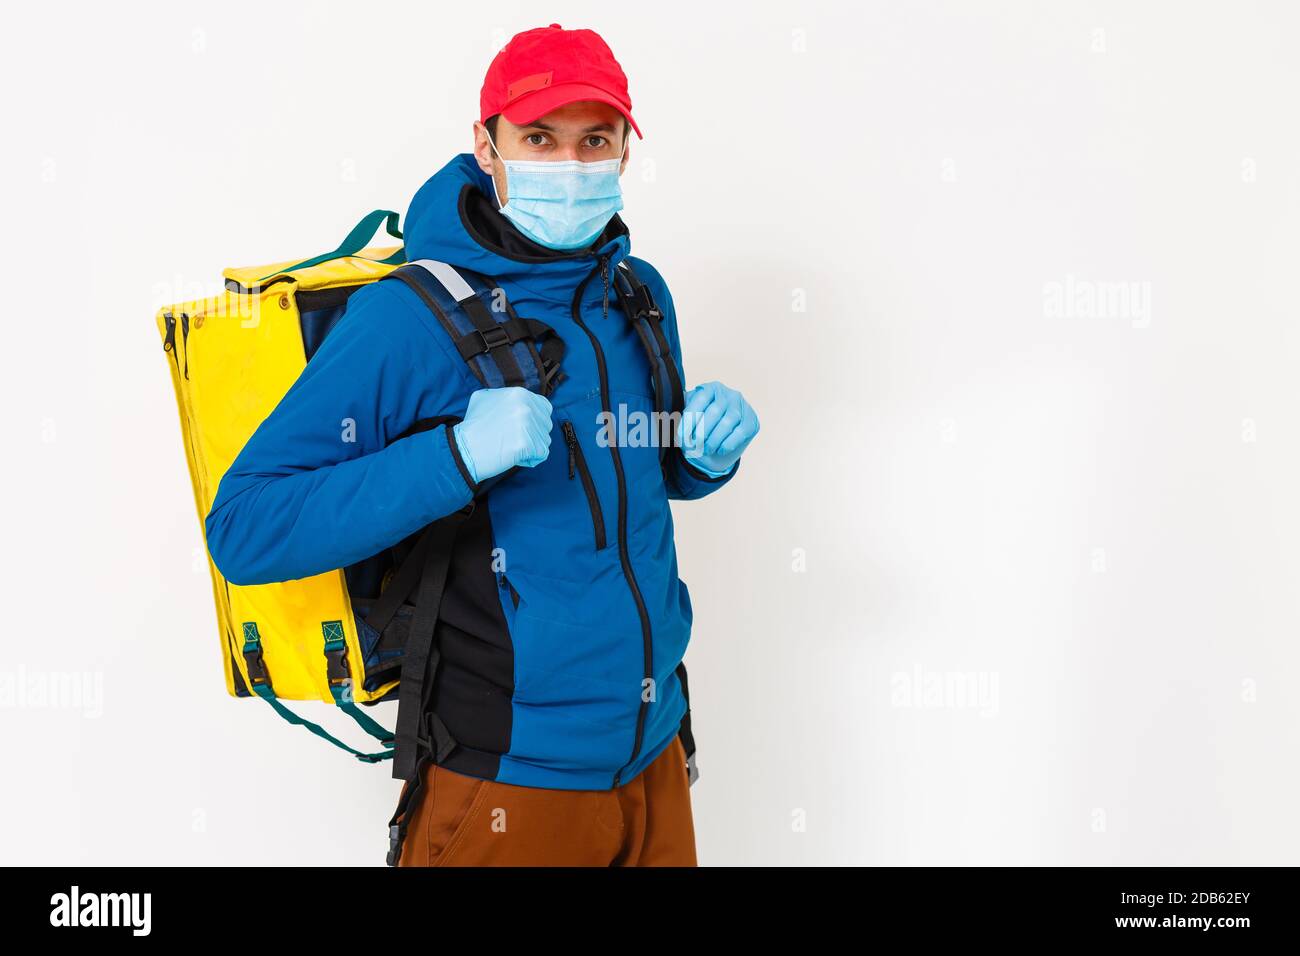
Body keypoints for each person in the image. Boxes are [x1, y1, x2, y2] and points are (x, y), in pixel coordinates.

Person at [203, 22, 759, 866]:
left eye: (594, 141)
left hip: (657, 756)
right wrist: (455, 457)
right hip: (507, 784)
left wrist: (697, 456)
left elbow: (629, 474)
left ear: (624, 153)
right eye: (539, 137)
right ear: (486, 145)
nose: (570, 166)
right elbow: (243, 527)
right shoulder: (409, 318)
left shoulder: (637, 295)